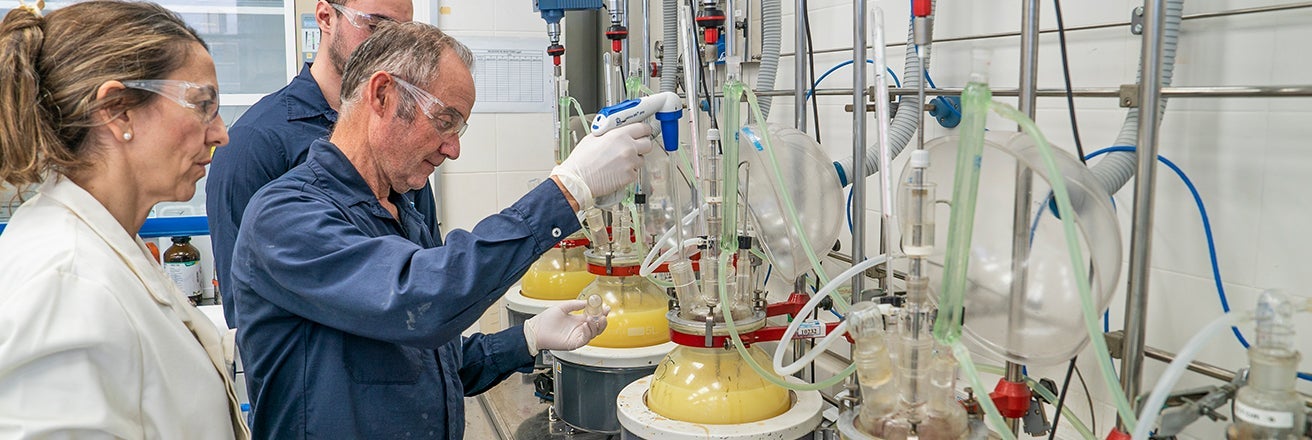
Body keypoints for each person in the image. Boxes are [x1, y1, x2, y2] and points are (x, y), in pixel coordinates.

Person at [230, 21, 651, 438]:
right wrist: (566, 191)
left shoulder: (402, 215)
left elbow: (428, 364)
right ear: (382, 95)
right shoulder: (286, 215)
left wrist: (526, 339)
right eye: (445, 120)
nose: (453, 148)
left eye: (458, 127)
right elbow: (421, 300)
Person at [0, 1, 248, 438]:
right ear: (118, 110)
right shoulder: (65, 282)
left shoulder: (111, 244)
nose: (221, 133)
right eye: (202, 104)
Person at [206, 0, 425, 328]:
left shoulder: (399, 142)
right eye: (375, 28)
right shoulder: (254, 143)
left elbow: (425, 271)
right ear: (325, 17)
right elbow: (248, 313)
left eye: (401, 37)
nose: (389, 50)